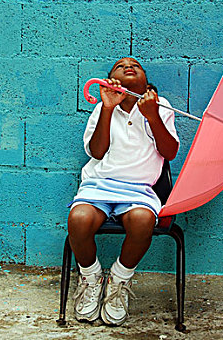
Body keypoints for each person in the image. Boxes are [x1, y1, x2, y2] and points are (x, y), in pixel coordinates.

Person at [67, 57, 179, 326]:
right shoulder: (104, 108)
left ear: (145, 81)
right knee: (79, 219)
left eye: (136, 66)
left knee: (143, 221)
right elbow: (97, 151)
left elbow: (170, 152)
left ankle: (119, 281)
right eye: (120, 66)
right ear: (110, 79)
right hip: (99, 185)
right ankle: (91, 278)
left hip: (139, 189)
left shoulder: (160, 107)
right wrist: (107, 108)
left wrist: (152, 115)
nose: (129, 66)